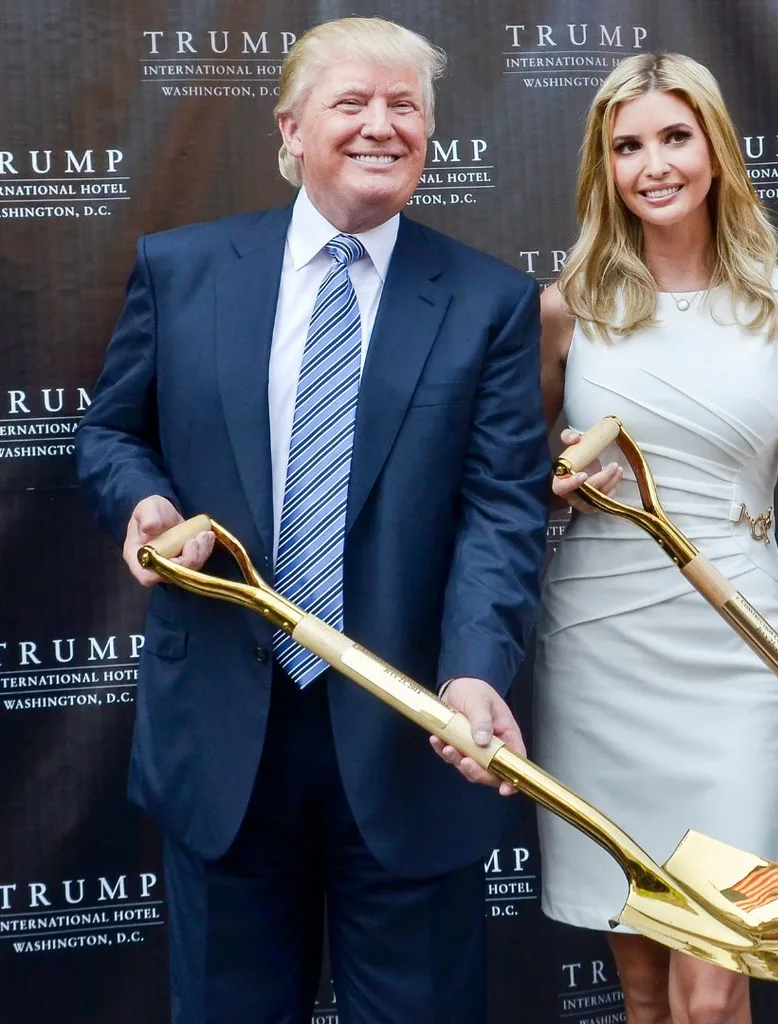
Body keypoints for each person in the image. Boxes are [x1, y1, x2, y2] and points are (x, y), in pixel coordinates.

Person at [75, 17, 550, 1024]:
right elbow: (111, 434)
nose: (382, 126)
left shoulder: (489, 301)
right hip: (222, 743)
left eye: (405, 106)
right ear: (289, 131)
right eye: (352, 103)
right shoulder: (181, 269)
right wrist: (147, 503)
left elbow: (502, 508)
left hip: (410, 739)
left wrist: (472, 674)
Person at [532, 53, 778, 1024]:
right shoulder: (563, 311)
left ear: (715, 148)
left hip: (741, 654)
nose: (652, 163)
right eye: (626, 145)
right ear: (602, 165)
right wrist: (557, 480)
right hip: (597, 649)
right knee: (646, 989)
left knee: (714, 980)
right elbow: (517, 488)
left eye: (673, 136)